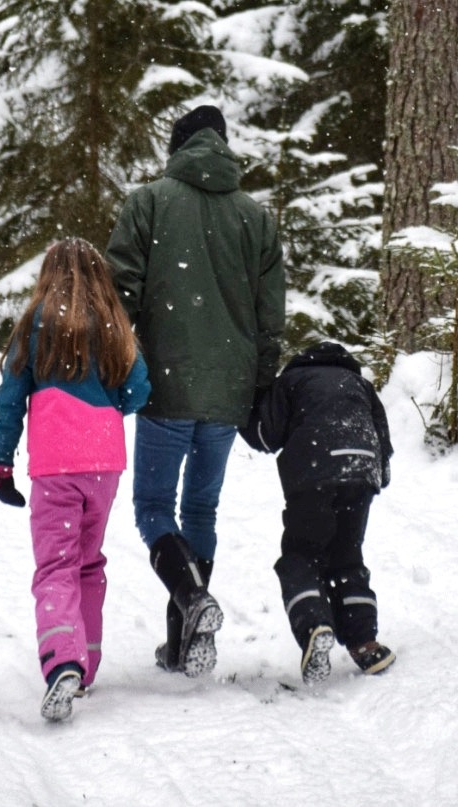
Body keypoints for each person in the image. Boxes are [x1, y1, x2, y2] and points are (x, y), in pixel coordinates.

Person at [105, 104, 286, 677]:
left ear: (177, 146)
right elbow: (269, 316)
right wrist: (258, 389)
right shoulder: (256, 218)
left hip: (167, 385)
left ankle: (191, 601)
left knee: (153, 507)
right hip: (228, 391)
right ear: (223, 145)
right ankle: (183, 646)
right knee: (201, 507)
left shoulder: (151, 201)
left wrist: (117, 365)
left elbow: (118, 292)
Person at [0, 237, 151, 721]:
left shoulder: (37, 322)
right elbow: (140, 388)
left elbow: (11, 397)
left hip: (56, 463)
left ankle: (63, 660)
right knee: (87, 562)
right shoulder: (113, 324)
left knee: (56, 565)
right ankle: (88, 660)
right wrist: (107, 407)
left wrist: (1, 464)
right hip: (104, 463)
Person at [239, 341, 396, 685]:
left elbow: (266, 436)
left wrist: (245, 409)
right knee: (347, 556)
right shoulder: (360, 385)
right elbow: (383, 439)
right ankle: (365, 643)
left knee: (300, 555)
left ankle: (315, 626)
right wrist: (374, 477)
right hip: (361, 471)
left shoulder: (292, 381)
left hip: (314, 473)